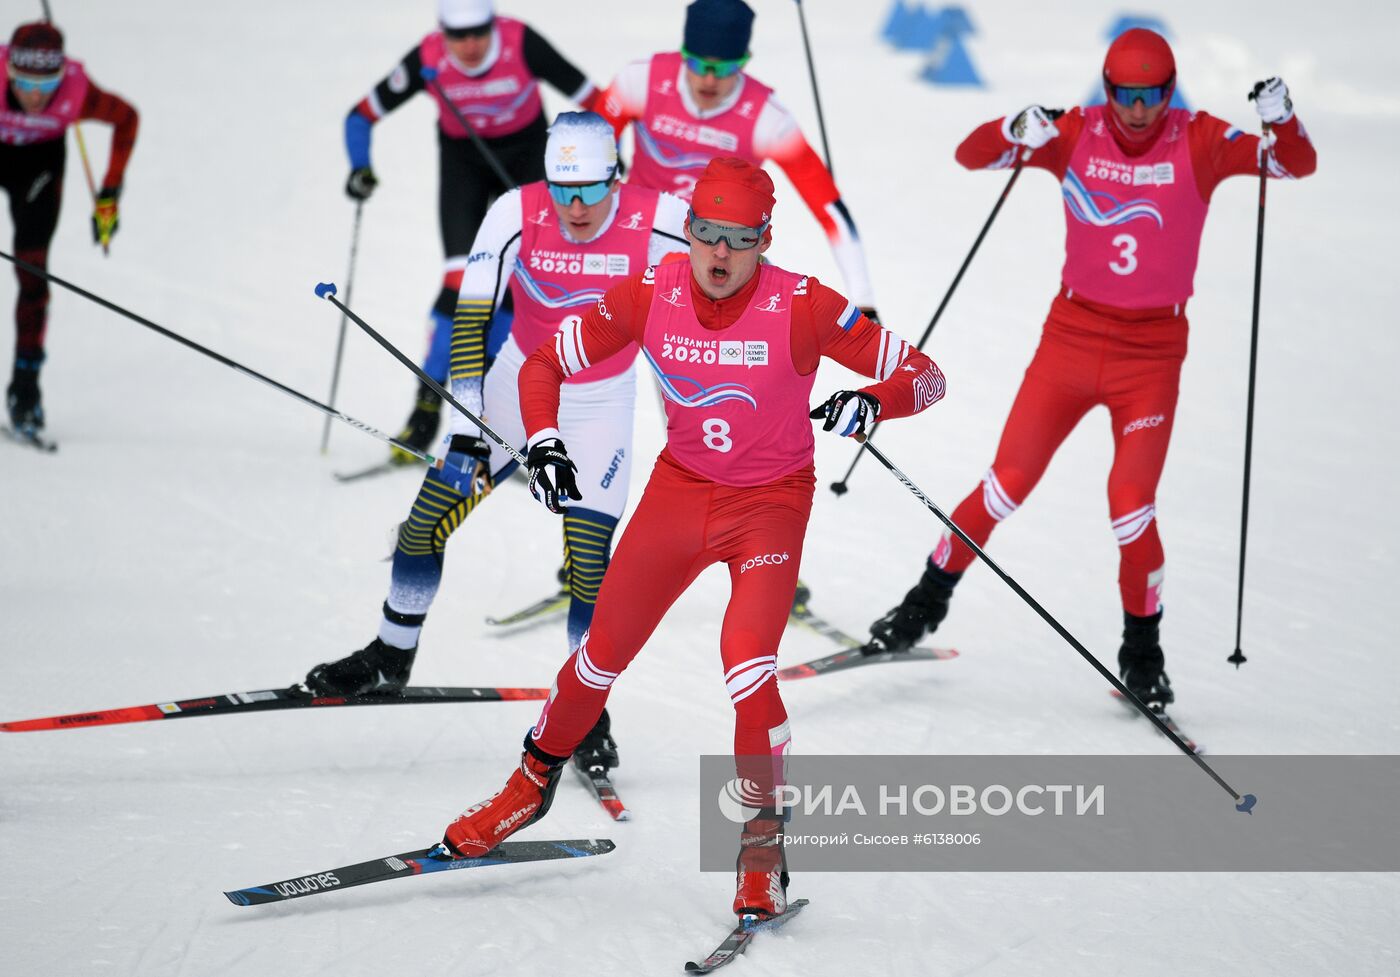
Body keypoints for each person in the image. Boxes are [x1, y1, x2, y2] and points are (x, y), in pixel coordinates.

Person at [436, 157, 946, 920]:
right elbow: (544, 362)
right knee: (599, 651)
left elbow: (928, 376)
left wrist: (876, 402)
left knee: (746, 663)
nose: (717, 254)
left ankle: (763, 848)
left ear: (764, 240)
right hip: (680, 492)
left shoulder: (803, 304)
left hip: (769, 505)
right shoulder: (655, 288)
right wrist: (542, 438)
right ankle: (529, 783)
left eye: (738, 241)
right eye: (706, 234)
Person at [861, 29, 1316, 712]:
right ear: (1107, 89)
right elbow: (970, 154)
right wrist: (1013, 126)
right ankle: (923, 601)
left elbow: (1293, 166)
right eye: (1125, 95)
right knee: (1003, 486)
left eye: (1152, 95)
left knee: (1131, 506)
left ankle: (1143, 651)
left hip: (1152, 352)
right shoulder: (1076, 132)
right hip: (1070, 341)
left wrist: (1280, 118)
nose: (1137, 110)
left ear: (1170, 91)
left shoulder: (1199, 139)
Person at [306, 112, 690, 776]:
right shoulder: (515, 210)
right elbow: (474, 311)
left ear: (616, 178)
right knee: (422, 526)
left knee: (590, 574)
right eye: (561, 187)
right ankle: (391, 655)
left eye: (589, 190)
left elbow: (729, 286)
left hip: (598, 404)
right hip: (514, 385)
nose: (573, 206)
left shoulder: (661, 219)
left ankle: (585, 712)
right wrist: (464, 424)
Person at [342, 0, 606, 460]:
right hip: (464, 165)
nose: (468, 45)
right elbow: (360, 116)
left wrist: (604, 160)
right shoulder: (428, 57)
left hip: (526, 160)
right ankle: (425, 413)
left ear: (493, 26)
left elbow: (598, 104)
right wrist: (360, 167)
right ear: (441, 32)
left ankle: (499, 417)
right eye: (456, 35)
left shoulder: (522, 42)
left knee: (520, 286)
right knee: (461, 285)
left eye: (478, 33)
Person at [597, 0, 881, 323]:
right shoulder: (641, 81)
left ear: (745, 63)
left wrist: (864, 302)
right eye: (696, 64)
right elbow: (588, 144)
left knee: (772, 306)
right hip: (638, 235)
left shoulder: (768, 119)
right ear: (683, 53)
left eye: (724, 69)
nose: (708, 80)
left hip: (720, 248)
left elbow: (829, 209)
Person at [1, 21, 137, 437]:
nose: (37, 94)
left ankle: (26, 390)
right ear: (8, 70)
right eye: (24, 81)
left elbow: (127, 120)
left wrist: (109, 193)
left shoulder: (79, 95)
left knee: (33, 275)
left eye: (48, 82)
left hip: (40, 167)